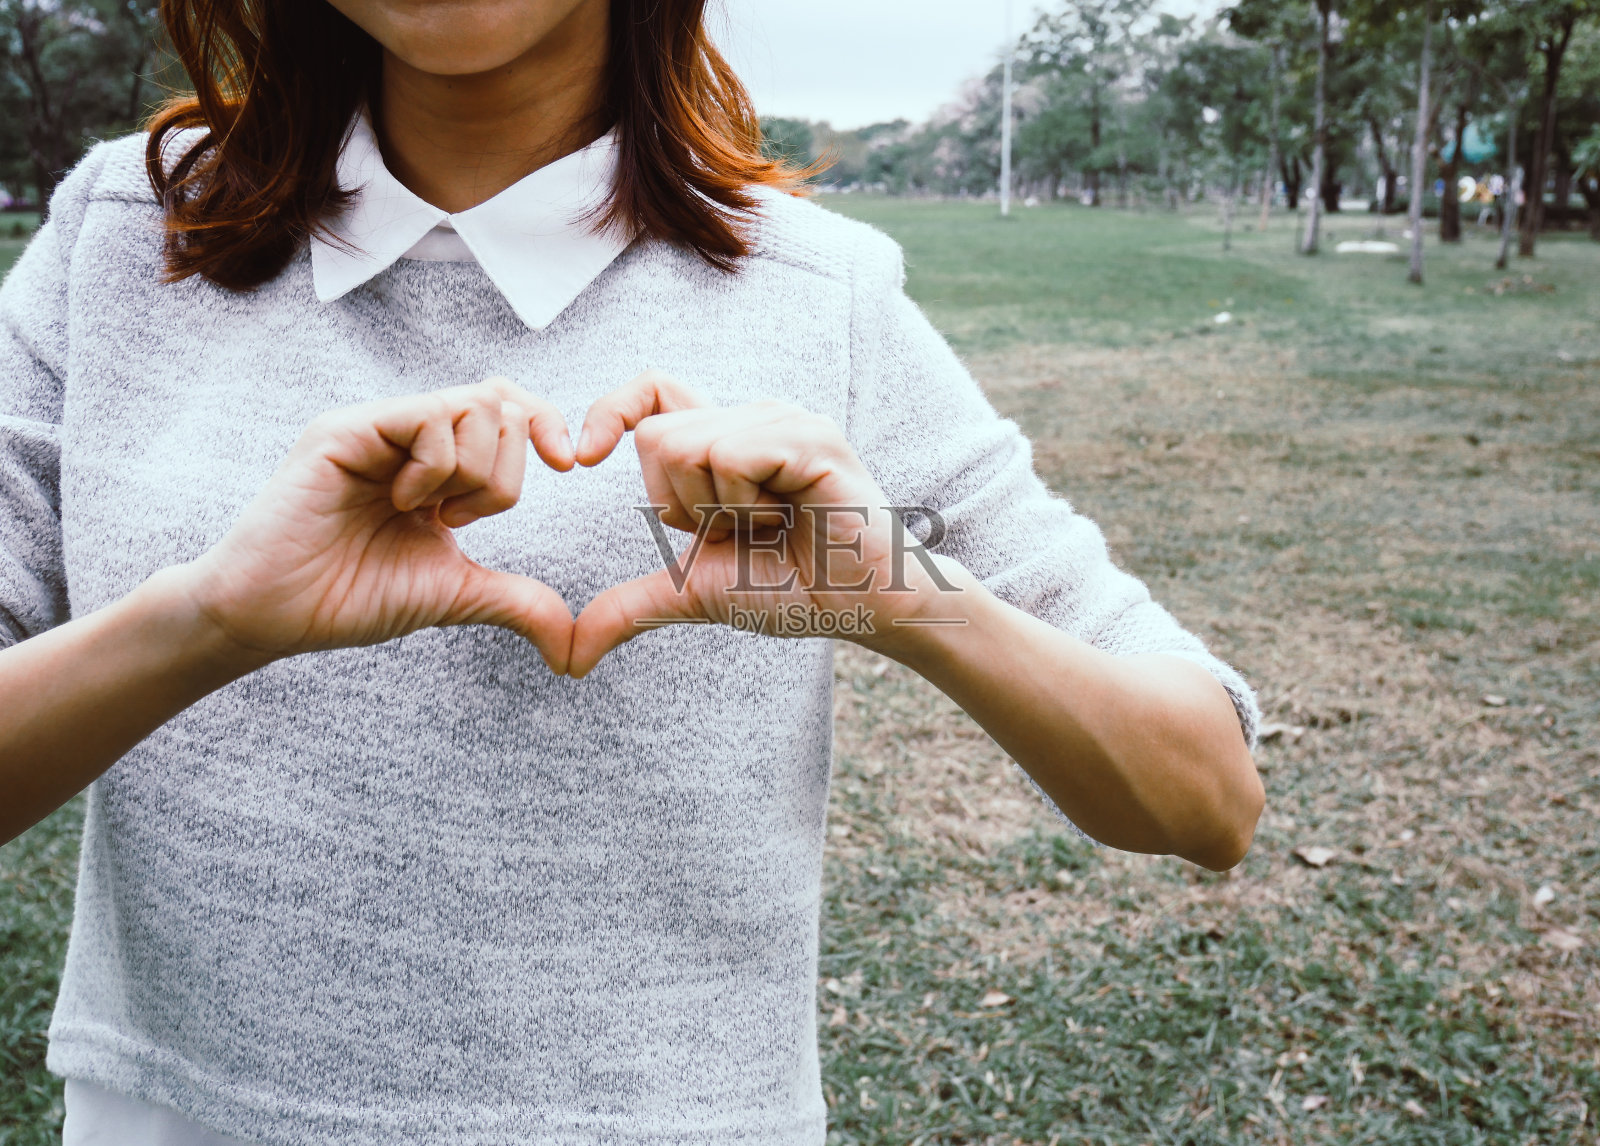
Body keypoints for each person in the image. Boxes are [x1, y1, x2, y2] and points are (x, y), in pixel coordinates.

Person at [0, 0, 1264, 1141]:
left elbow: (1201, 796)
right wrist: (209, 619)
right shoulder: (121, 235)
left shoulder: (818, 295)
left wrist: (895, 588)